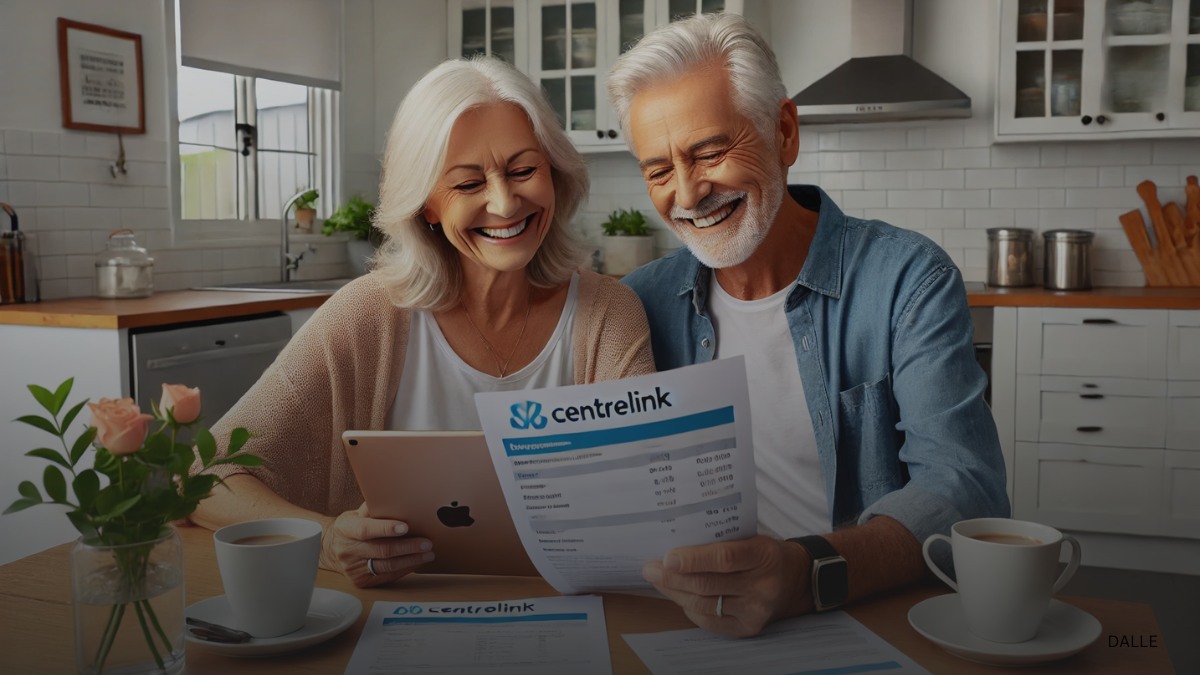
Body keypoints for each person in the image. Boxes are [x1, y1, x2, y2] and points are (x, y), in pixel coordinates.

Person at [608, 14, 1009, 637]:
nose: (686, 195)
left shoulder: (907, 278)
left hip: (864, 618)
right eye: (658, 170)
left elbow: (967, 488)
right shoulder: (636, 305)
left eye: (710, 152)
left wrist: (804, 572)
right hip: (691, 624)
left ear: (785, 133)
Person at [190, 57, 655, 588]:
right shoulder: (367, 316)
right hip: (390, 622)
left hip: (579, 611)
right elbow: (207, 476)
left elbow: (649, 497)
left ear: (555, 173)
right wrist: (325, 538)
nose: (504, 202)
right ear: (427, 205)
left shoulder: (610, 313)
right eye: (467, 183)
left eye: (524, 169)